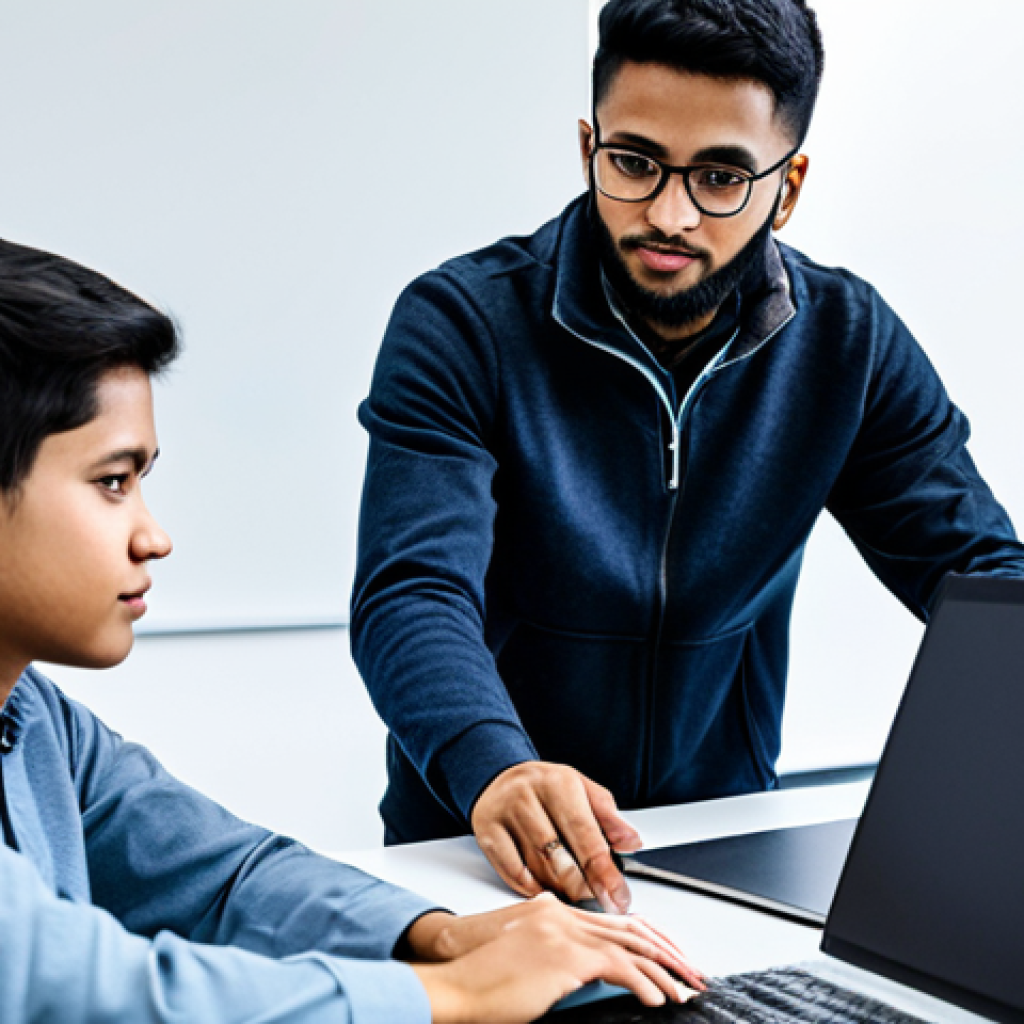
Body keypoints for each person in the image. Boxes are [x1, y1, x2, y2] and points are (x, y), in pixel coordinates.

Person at [350, 0, 1024, 917]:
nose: (669, 214)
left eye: (720, 177)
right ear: (588, 145)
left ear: (788, 188)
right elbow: (412, 592)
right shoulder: (461, 324)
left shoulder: (850, 347)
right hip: (477, 847)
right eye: (633, 162)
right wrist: (493, 766)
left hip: (721, 853)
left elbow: (982, 579)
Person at [0, 239, 703, 1022]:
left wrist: (442, 938)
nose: (153, 535)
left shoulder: (34, 720)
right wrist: (451, 994)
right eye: (112, 483)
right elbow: (77, 988)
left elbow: (228, 876)